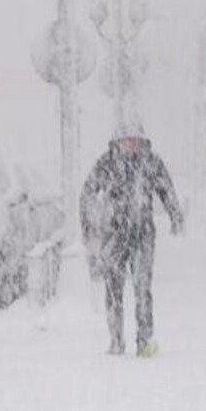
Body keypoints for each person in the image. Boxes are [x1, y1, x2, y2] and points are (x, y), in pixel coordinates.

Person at [79, 125, 183, 356]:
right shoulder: (106, 163)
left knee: (142, 288)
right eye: (128, 141)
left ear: (144, 142)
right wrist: (90, 224)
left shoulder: (151, 162)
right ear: (118, 142)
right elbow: (87, 192)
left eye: (137, 141)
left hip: (143, 233)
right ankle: (116, 340)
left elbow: (166, 189)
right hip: (114, 234)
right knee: (113, 289)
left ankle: (144, 341)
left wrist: (175, 215)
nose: (132, 145)